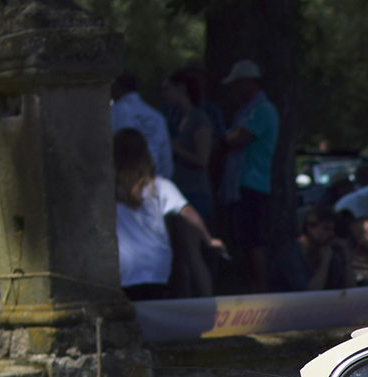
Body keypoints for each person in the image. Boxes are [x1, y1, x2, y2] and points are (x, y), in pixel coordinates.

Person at [113, 128, 223, 301]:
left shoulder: (109, 192)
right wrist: (208, 239)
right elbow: (187, 212)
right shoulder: (160, 186)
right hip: (157, 268)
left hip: (125, 269)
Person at [221, 59, 280, 291]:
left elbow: (238, 137)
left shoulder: (262, 110)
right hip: (240, 184)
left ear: (247, 83)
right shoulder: (247, 110)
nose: (233, 91)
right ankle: (250, 288)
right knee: (243, 240)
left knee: (253, 239)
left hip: (252, 184)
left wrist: (222, 137)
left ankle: (261, 290)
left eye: (236, 85)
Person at [161, 68, 217, 224]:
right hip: (178, 191)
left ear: (181, 89)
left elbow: (202, 159)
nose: (164, 94)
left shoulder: (199, 119)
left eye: (167, 89)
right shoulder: (176, 118)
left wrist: (175, 148)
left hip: (194, 192)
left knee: (189, 245)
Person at [109, 73, 174, 199]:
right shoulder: (157, 117)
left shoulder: (113, 112)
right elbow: (166, 158)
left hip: (122, 188)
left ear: (116, 87)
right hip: (154, 187)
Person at [271, 207, 346, 292]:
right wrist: (325, 262)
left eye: (333, 229)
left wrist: (346, 259)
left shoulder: (327, 251)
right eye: (326, 229)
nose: (332, 234)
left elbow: (343, 290)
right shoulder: (291, 254)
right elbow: (307, 293)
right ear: (310, 228)